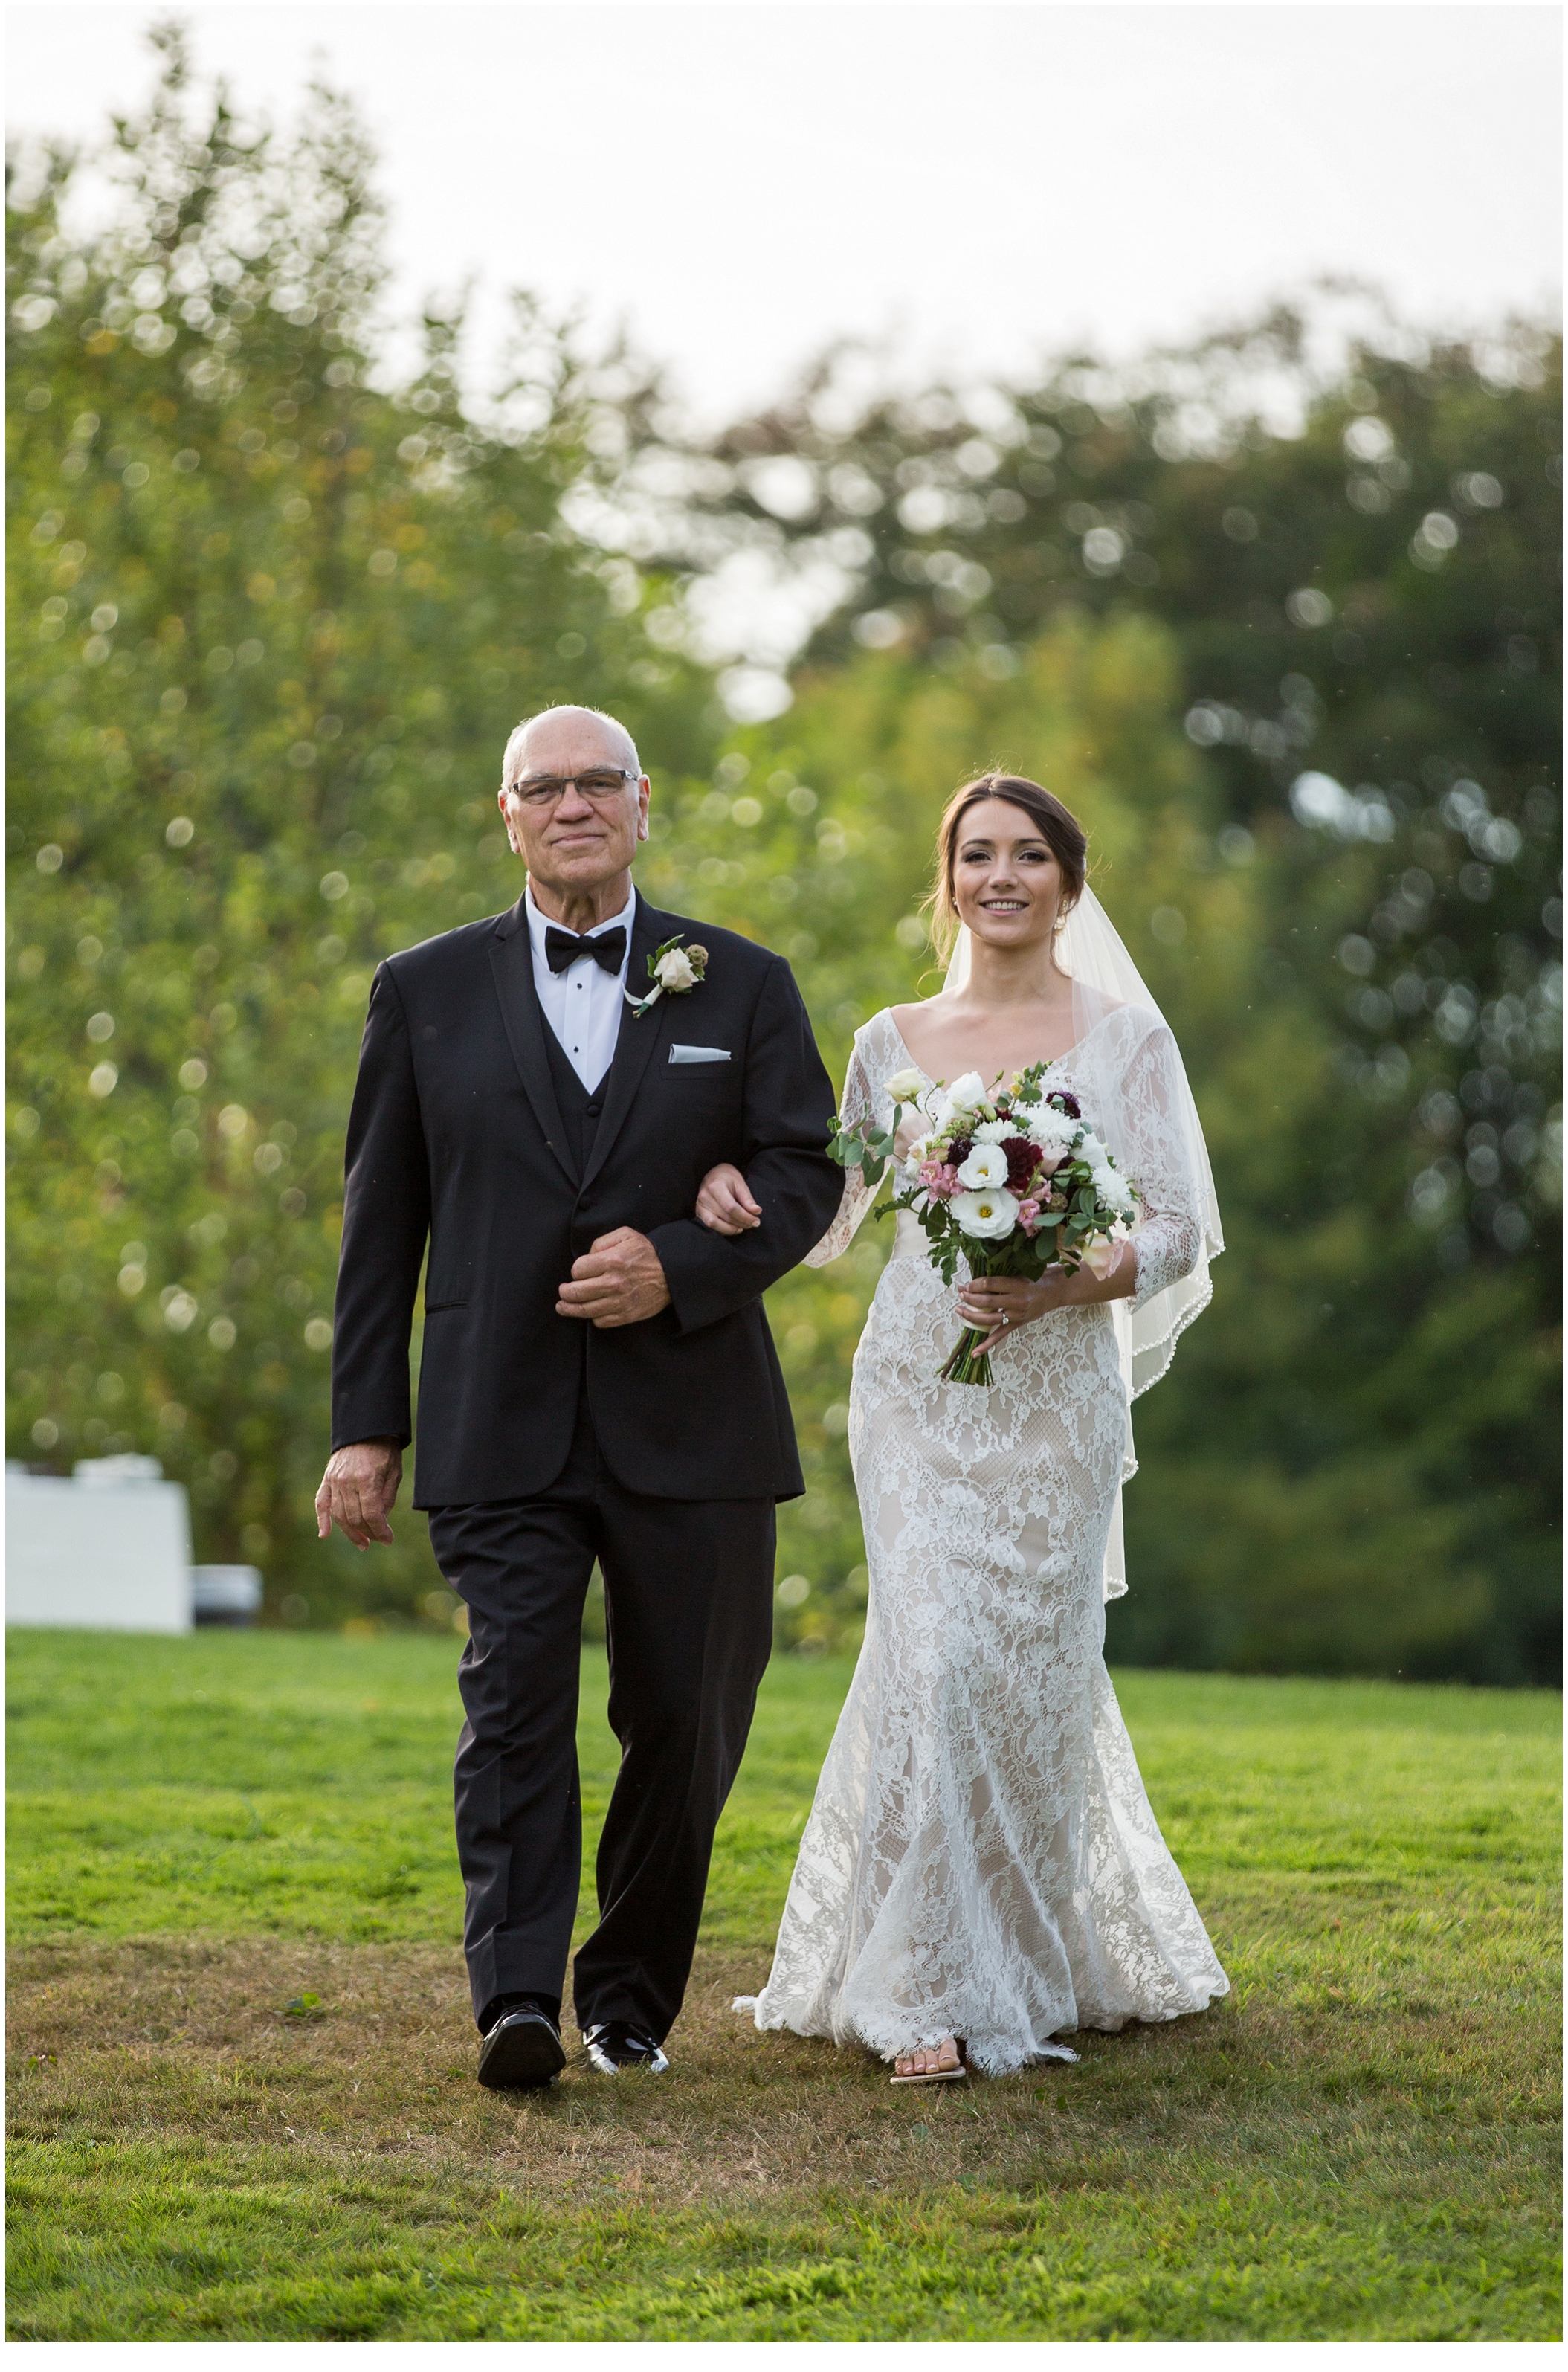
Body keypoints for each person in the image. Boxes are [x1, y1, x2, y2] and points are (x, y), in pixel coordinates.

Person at [316, 706, 842, 2091]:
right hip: (500, 1413)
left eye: (595, 781)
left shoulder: (740, 982)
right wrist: (366, 1426)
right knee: (513, 1704)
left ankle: (627, 2001)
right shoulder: (420, 991)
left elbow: (807, 1177)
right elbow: (380, 1227)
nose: (571, 805)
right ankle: (513, 2001)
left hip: (699, 1427)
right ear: (507, 816)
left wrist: (677, 1264)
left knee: (682, 1721)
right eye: (541, 787)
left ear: (641, 801)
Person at [695, 773, 1229, 2083]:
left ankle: (1033, 1948)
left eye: (1028, 855)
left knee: (1024, 1674)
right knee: (933, 1659)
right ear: (947, 881)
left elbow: (1170, 1226)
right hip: (916, 1392)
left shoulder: (1122, 1042)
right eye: (976, 854)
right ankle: (921, 1984)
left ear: (1067, 881)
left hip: (1053, 1402)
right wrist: (720, 1194)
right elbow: (832, 1213)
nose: (1001, 875)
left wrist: (1061, 1281)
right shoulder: (889, 1038)